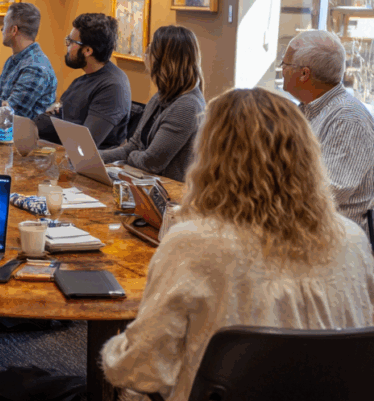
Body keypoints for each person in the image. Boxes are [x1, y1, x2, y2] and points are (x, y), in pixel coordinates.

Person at [102, 88, 374, 401]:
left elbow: (141, 371)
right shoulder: (352, 239)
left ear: (211, 158)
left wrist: (116, 346)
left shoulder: (194, 243)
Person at [280, 29, 374, 230]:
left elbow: (328, 193)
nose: (282, 69)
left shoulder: (348, 118)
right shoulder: (307, 110)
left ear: (304, 74)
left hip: (334, 237)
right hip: (304, 227)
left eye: (285, 64)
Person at [99, 25, 205, 181]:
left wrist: (133, 155)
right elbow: (133, 147)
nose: (146, 55)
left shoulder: (187, 106)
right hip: (146, 182)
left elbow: (151, 162)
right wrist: (95, 157)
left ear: (165, 61)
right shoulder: (160, 97)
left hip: (169, 191)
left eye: (150, 50)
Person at [34, 13, 131, 149]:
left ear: (87, 50)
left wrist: (38, 130)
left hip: (90, 160)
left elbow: (85, 144)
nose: (67, 46)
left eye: (70, 41)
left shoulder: (113, 87)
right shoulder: (83, 79)